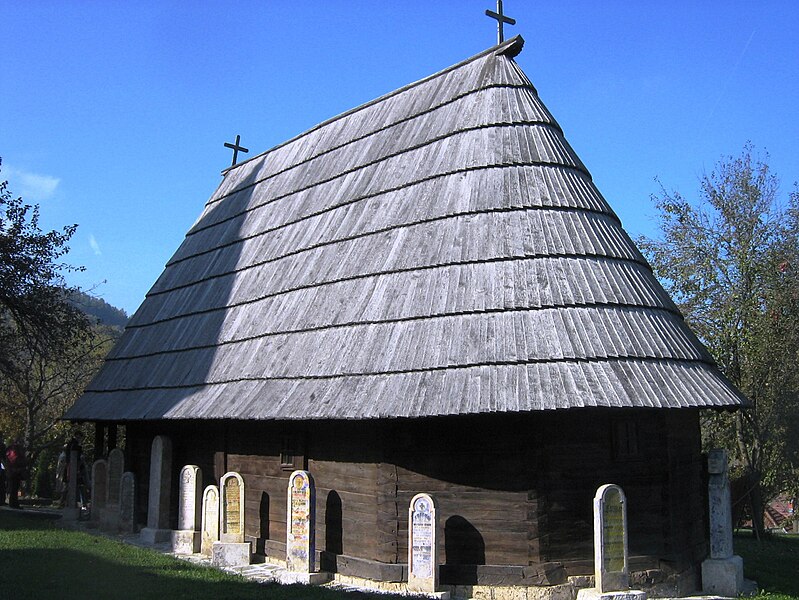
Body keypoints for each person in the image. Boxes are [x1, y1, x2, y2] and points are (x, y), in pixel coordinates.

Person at [5, 438, 28, 509]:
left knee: (14, 487)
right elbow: (16, 460)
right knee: (14, 487)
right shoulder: (16, 450)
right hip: (15, 471)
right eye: (21, 442)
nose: (22, 444)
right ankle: (13, 503)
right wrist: (24, 463)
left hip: (12, 470)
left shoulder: (10, 449)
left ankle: (14, 503)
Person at [0, 434, 7, 506]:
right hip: (1, 464)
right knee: (2, 483)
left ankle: (2, 500)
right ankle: (1, 500)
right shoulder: (2, 446)